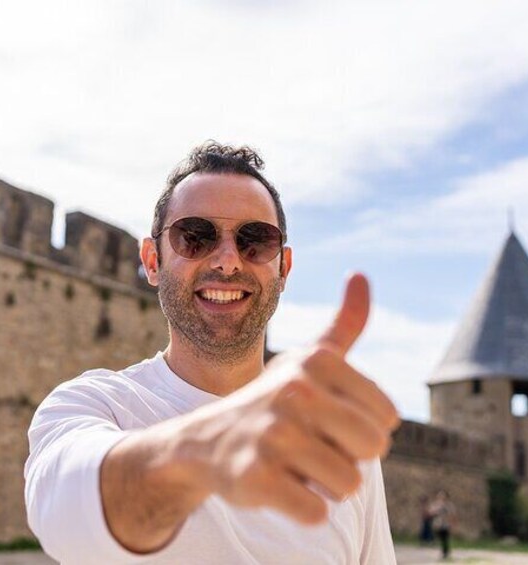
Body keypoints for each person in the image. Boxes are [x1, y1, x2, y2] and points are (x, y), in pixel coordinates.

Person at [23, 142, 401, 564]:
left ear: (284, 268)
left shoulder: (333, 441)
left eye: (255, 241)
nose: (227, 261)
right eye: (195, 237)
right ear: (152, 261)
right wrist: (204, 451)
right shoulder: (93, 405)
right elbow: (64, 512)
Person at [430, 490, 456, 560]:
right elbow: (431, 513)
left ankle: (445, 553)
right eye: (440, 495)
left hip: (446, 524)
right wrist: (436, 510)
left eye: (443, 495)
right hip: (438, 524)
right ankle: (443, 551)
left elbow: (452, 515)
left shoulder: (449, 505)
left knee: (445, 538)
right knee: (440, 538)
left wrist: (453, 524)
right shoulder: (435, 504)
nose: (441, 497)